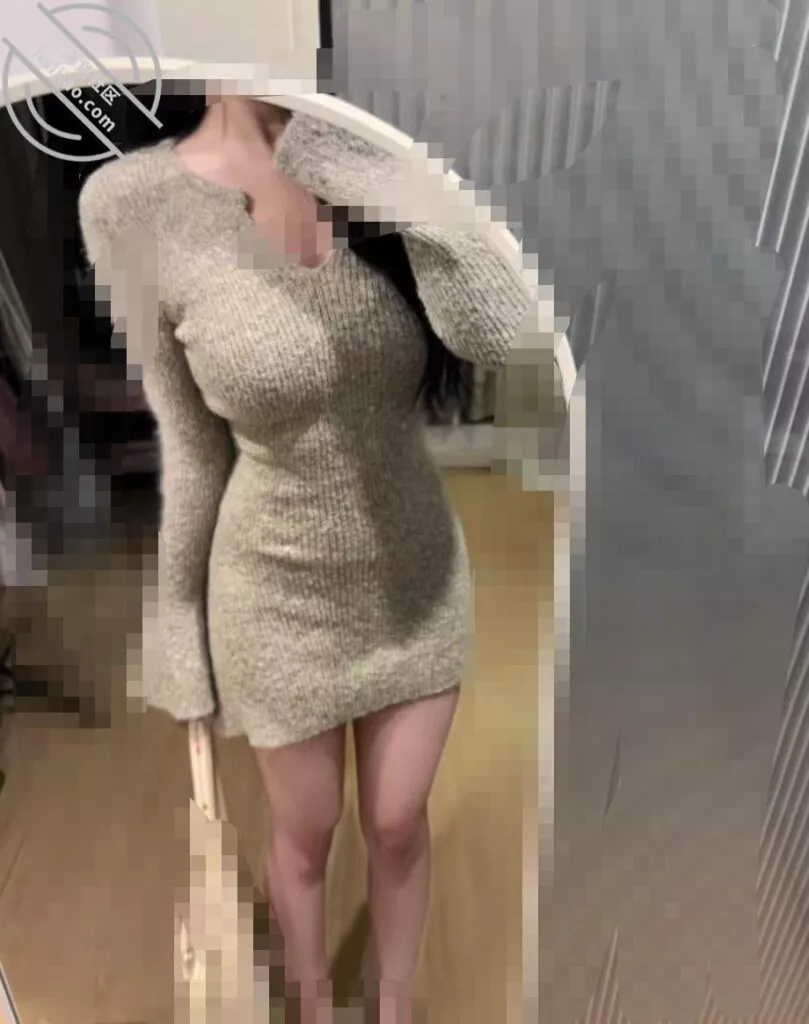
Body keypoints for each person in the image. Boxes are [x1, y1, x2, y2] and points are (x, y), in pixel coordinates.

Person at [78, 93, 530, 1024]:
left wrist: (377, 168)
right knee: (305, 836)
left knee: (398, 824)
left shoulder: (373, 144)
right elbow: (192, 447)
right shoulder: (129, 202)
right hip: (274, 596)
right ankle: (314, 1006)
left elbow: (496, 335)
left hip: (414, 576)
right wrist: (179, 623)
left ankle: (393, 1008)